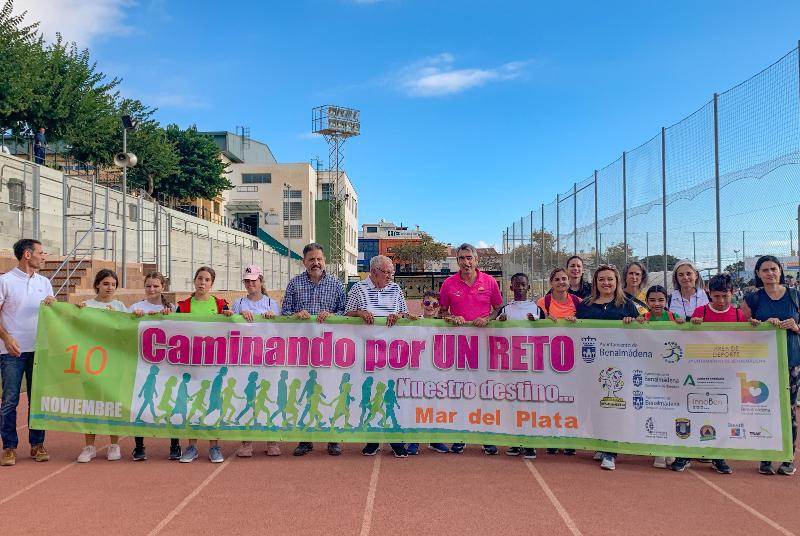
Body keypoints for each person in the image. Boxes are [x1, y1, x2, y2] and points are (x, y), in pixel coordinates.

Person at [346, 255, 416, 458]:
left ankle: (396, 439)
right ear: (374, 271)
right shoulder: (358, 288)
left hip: (392, 353)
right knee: (370, 394)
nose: (390, 276)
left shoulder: (395, 289)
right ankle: (373, 438)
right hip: (367, 353)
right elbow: (345, 314)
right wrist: (359, 313)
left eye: (391, 272)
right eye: (386, 272)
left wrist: (398, 316)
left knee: (391, 395)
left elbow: (405, 314)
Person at [670, 274, 740, 475]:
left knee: (720, 415)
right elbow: (685, 336)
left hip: (726, 375)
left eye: (724, 296)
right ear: (709, 293)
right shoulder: (700, 312)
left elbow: (750, 341)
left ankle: (718, 455)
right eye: (716, 296)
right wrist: (690, 325)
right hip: (700, 374)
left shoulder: (737, 315)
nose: (720, 301)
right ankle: (685, 453)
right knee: (694, 411)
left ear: (732, 293)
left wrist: (755, 326)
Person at [281, 243, 346, 457]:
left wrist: (333, 316)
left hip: (329, 350)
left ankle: (332, 438)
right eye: (311, 259)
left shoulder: (336, 284)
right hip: (303, 351)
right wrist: (296, 314)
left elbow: (345, 312)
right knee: (304, 393)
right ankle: (305, 438)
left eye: (319, 259)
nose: (315, 263)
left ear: (324, 260)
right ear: (304, 262)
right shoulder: (294, 284)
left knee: (330, 391)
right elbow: (285, 312)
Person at [440, 243, 503, 455]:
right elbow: (441, 312)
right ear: (457, 261)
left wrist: (487, 319)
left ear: (476, 260)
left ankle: (487, 436)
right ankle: (461, 435)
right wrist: (451, 317)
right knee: (460, 393)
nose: (466, 262)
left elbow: (498, 310)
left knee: (485, 392)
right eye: (462, 258)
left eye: (469, 258)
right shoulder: (448, 284)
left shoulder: (490, 282)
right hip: (458, 349)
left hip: (484, 348)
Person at [575, 264, 638, 471]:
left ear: (617, 281)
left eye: (610, 279)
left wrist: (633, 322)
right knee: (596, 405)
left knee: (613, 405)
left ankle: (611, 451)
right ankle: (602, 442)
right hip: (592, 365)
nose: (606, 283)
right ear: (595, 282)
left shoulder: (626, 305)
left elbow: (640, 332)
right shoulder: (585, 305)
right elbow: (577, 332)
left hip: (617, 366)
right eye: (601, 279)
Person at [741, 255, 800, 476]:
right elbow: (742, 328)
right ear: (758, 274)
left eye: (773, 269)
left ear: (780, 271)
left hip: (792, 360)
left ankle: (787, 457)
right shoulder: (753, 299)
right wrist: (757, 325)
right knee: (763, 408)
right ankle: (765, 457)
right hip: (762, 364)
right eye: (764, 270)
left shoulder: (795, 295)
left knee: (790, 410)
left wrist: (795, 326)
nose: (770, 273)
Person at [0, 239, 56, 467]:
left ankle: (37, 444)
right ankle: (9, 448)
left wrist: (53, 306)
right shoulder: (5, 281)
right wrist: (6, 337)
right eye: (41, 253)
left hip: (39, 351)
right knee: (10, 400)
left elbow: (52, 316)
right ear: (27, 254)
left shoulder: (45, 282)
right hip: (11, 351)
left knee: (38, 400)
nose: (44, 257)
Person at [176, 266, 232, 463]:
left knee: (214, 402)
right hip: (191, 362)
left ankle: (214, 446)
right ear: (194, 280)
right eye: (200, 278)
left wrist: (231, 316)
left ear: (212, 284)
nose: (202, 283)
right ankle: (191, 447)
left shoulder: (220, 305)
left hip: (213, 362)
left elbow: (232, 325)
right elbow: (172, 328)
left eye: (207, 280)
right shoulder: (183, 306)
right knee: (192, 402)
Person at [76, 269, 127, 463]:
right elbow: (75, 327)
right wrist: (77, 313)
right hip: (92, 362)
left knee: (113, 402)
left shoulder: (120, 306)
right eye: (106, 283)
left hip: (114, 362)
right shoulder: (86, 306)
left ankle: (114, 445)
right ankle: (89, 446)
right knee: (92, 403)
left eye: (113, 284)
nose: (110, 288)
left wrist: (124, 317)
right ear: (97, 284)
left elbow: (128, 330)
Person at [129, 272, 180, 461]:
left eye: (156, 286)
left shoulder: (172, 308)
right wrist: (134, 318)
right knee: (140, 404)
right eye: (148, 286)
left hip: (167, 363)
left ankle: (175, 445)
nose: (152, 290)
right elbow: (123, 329)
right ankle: (139, 447)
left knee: (170, 403)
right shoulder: (136, 307)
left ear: (163, 287)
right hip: (143, 362)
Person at [232, 265, 281, 458]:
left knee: (270, 397)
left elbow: (279, 330)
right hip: (245, 358)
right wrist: (239, 316)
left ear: (261, 281)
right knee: (247, 398)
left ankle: (272, 439)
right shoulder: (238, 303)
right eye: (247, 280)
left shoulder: (272, 303)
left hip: (268, 358)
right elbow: (231, 327)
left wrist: (272, 318)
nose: (250, 284)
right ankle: (246, 440)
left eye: (254, 280)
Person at [637, 285, 682, 469]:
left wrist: (683, 324)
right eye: (653, 300)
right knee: (653, 410)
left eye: (661, 300)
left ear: (666, 301)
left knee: (670, 411)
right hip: (650, 371)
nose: (657, 303)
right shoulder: (643, 319)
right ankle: (657, 450)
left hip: (671, 373)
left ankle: (670, 449)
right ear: (647, 302)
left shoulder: (674, 318)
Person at [407, 291, 450, 455]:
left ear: (439, 307)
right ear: (421, 304)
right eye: (427, 303)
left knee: (434, 407)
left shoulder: (444, 324)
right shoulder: (414, 322)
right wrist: (407, 321)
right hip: (418, 371)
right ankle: (414, 441)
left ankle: (435, 439)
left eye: (434, 304)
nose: (430, 307)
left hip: (436, 372)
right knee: (417, 406)